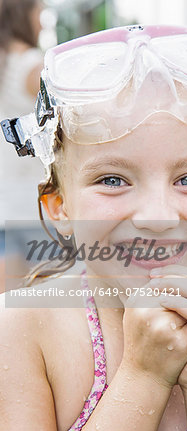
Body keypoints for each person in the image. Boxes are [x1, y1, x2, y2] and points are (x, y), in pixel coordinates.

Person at [0, 25, 187, 431]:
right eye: (113, 179)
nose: (158, 216)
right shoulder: (24, 331)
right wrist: (144, 376)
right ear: (61, 208)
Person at [0, 0, 45, 292]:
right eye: (40, 13)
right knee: (45, 308)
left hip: (5, 204)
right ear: (24, 16)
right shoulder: (30, 64)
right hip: (30, 207)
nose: (41, 23)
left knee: (8, 313)